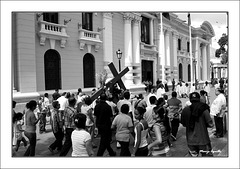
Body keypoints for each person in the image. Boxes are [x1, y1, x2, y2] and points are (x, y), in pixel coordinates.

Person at [181, 92, 214, 157]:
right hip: (203, 140)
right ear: (199, 99)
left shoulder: (185, 110)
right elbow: (211, 124)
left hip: (190, 140)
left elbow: (184, 124)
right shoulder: (204, 110)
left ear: (190, 100)